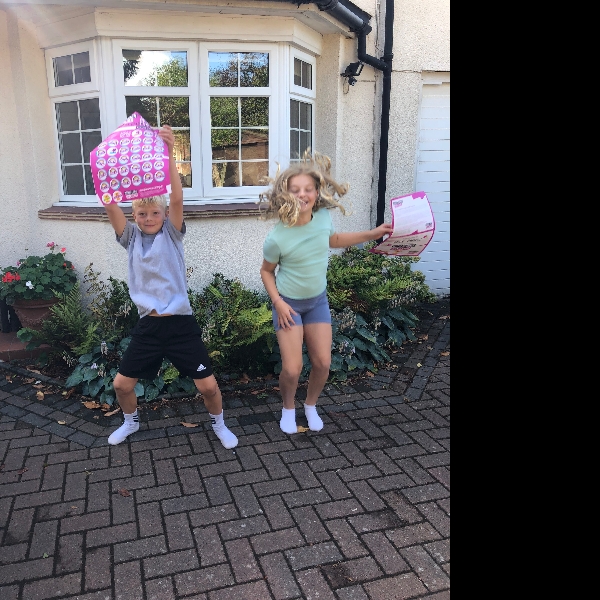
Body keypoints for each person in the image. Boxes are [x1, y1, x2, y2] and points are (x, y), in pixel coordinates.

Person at [102, 124, 238, 449]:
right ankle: (130, 422)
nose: (148, 217)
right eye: (141, 213)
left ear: (164, 214)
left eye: (154, 212)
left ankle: (219, 425)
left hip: (180, 325)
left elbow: (176, 197)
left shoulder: (172, 234)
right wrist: (108, 170)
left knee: (207, 387)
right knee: (121, 385)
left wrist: (167, 153)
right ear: (134, 215)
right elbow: (110, 204)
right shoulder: (130, 238)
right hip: (149, 327)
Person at [259, 152, 393, 435]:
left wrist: (373, 233)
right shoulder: (277, 237)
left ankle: (310, 405)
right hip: (288, 305)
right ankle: (287, 408)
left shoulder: (322, 218)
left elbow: (334, 240)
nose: (302, 194)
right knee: (292, 369)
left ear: (316, 192)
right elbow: (266, 272)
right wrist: (278, 302)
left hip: (317, 302)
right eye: (295, 190)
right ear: (285, 194)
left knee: (322, 363)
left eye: (308, 189)